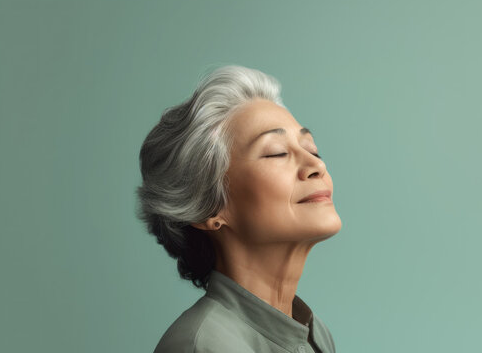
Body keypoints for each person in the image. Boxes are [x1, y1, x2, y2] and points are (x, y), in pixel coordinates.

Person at [135, 64, 342, 352]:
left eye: (312, 148)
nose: (316, 165)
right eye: (277, 152)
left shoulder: (315, 335)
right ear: (209, 206)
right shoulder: (204, 345)